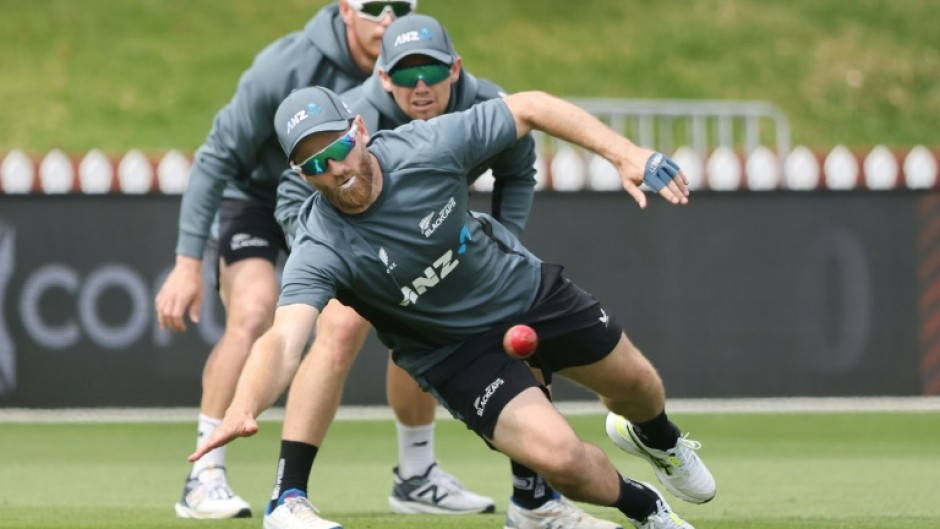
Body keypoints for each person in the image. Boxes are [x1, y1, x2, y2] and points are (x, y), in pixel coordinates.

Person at [189, 85, 716, 529]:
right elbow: (284, 338)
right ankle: (647, 508)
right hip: (456, 355)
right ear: (303, 175)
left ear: (360, 130)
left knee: (638, 386)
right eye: (317, 163)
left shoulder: (428, 146)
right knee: (563, 460)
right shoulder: (320, 244)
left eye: (340, 146)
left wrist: (624, 154)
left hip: (527, 294)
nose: (336, 168)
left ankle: (657, 438)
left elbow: (530, 106)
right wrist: (245, 405)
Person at [268, 14, 621, 529]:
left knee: (485, 309)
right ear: (382, 77)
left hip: (436, 235)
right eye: (404, 75)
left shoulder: (481, 103)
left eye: (429, 72)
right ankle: (293, 493)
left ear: (453, 70)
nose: (419, 85)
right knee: (340, 329)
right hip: (334, 226)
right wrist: (335, 258)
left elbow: (517, 171)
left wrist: (503, 243)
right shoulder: (356, 117)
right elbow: (294, 194)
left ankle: (508, 494)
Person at [154, 0, 489, 520]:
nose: (388, 18)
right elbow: (217, 154)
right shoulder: (283, 66)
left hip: (347, 203)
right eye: (374, 7)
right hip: (262, 202)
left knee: (415, 303)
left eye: (400, 7)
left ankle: (417, 476)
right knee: (254, 312)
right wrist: (185, 260)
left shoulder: (409, 74)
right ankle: (204, 476)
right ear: (344, 10)